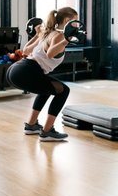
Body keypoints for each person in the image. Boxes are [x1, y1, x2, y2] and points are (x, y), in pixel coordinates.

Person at [6, 7, 79, 141]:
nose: (77, 25)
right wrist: (67, 39)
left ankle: (31, 125)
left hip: (16, 70)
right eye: (75, 22)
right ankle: (47, 131)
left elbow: (26, 50)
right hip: (27, 71)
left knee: (47, 88)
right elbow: (50, 53)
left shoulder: (47, 32)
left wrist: (37, 34)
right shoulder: (59, 35)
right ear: (67, 21)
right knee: (63, 91)